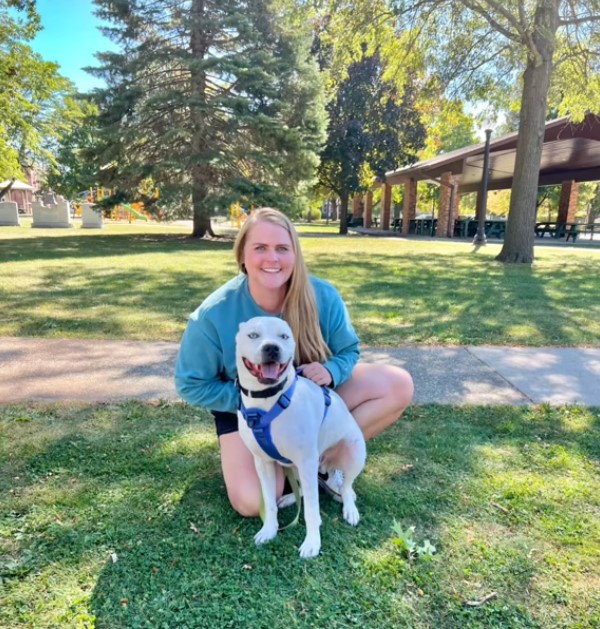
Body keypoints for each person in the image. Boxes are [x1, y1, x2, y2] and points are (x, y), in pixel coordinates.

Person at [175, 208, 413, 517]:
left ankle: (322, 467)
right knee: (253, 502)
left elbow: (349, 350)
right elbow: (190, 384)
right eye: (260, 248)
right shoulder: (213, 315)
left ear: (295, 254)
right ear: (242, 255)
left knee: (397, 385)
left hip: (310, 398)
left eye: (282, 248)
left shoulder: (322, 296)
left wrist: (330, 370)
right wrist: (251, 399)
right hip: (248, 411)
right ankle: (278, 462)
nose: (272, 258)